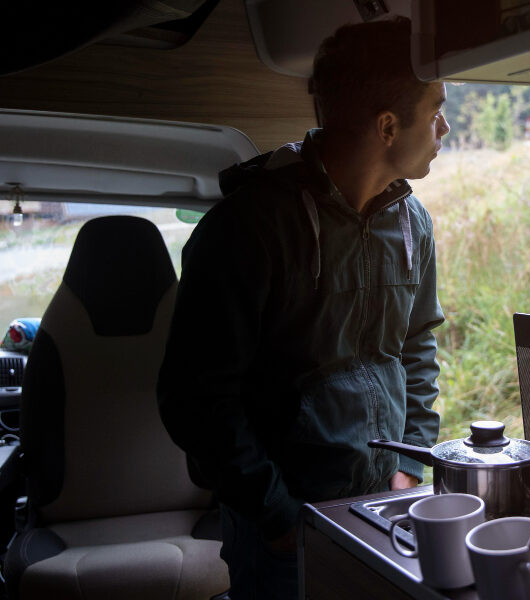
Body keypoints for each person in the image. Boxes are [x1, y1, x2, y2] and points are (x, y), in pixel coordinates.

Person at [157, 16, 449, 599]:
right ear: (388, 126)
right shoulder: (247, 229)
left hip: (382, 508)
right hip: (282, 534)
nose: (445, 125)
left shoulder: (413, 224)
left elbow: (417, 345)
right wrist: (277, 515)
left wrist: (408, 467)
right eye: (437, 108)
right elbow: (196, 399)